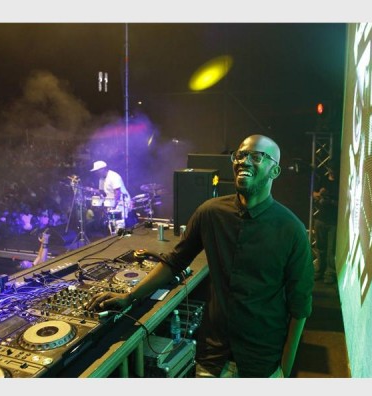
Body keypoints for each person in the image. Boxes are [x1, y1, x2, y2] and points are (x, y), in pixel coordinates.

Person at [86, 134, 314, 378]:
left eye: (256, 156)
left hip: (261, 361)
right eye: (240, 155)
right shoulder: (210, 213)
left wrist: (285, 371)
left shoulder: (292, 230)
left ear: (275, 171)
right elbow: (175, 261)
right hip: (212, 356)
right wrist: (130, 296)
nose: (244, 161)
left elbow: (299, 307)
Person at [312, 164, 339, 284]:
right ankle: (319, 271)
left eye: (334, 169)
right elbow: (314, 194)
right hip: (321, 219)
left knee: (331, 250)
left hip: (333, 221)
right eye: (330, 169)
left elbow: (342, 202)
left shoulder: (340, 183)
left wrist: (331, 201)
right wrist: (320, 194)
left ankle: (329, 274)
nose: (332, 171)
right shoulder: (323, 180)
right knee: (320, 248)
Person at [90, 160, 134, 230]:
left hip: (121, 202)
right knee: (112, 223)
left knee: (119, 223)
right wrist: (90, 190)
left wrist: (113, 205)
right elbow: (102, 191)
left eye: (97, 171)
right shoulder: (101, 179)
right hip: (111, 202)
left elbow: (118, 192)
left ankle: (121, 234)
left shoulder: (113, 176)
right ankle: (116, 235)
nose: (96, 173)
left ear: (103, 169)